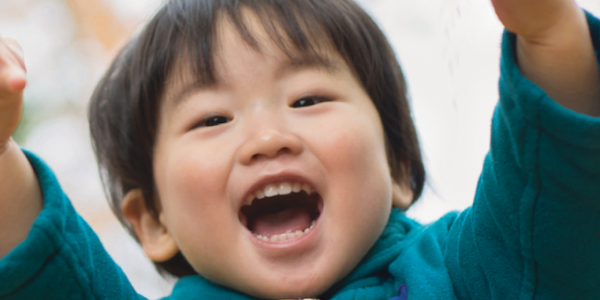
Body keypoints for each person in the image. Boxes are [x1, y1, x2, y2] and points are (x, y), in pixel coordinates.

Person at [1, 0, 599, 299]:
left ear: (395, 164)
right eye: (212, 118)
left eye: (309, 100)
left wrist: (549, 33)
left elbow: (549, 200)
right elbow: (51, 276)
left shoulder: (466, 273)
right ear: (153, 220)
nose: (267, 138)